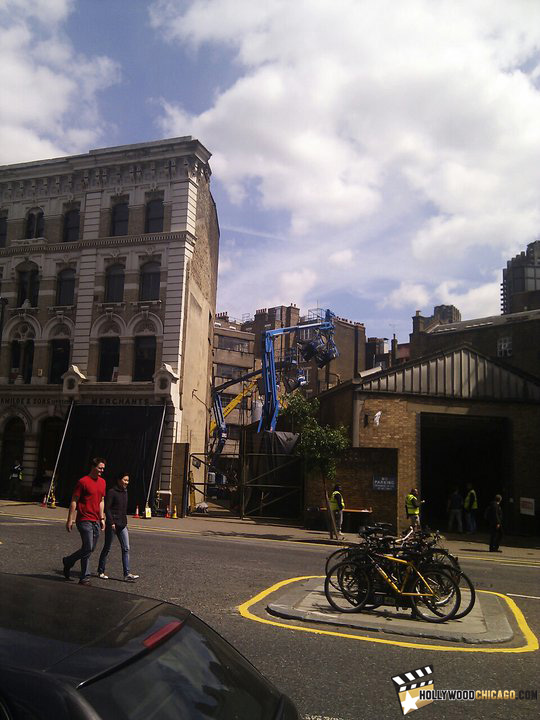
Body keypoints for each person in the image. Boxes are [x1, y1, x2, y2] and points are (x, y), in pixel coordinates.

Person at [62, 457, 107, 585]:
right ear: (93, 467)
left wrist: (102, 518)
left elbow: (101, 501)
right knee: (87, 547)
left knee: (90, 548)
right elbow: (74, 500)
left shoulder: (103, 482)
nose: (101, 471)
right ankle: (84, 577)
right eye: (100, 468)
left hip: (96, 520)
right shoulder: (83, 482)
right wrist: (70, 519)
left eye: (103, 468)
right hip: (84, 519)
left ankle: (68, 561)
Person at [97, 474, 139, 582]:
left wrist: (124, 522)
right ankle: (100, 571)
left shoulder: (125, 492)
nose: (126, 482)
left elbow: (123, 510)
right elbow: (107, 508)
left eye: (128, 480)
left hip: (122, 524)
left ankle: (127, 573)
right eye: (125, 480)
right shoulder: (112, 492)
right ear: (119, 480)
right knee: (107, 548)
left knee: (126, 548)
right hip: (113, 525)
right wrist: (111, 523)